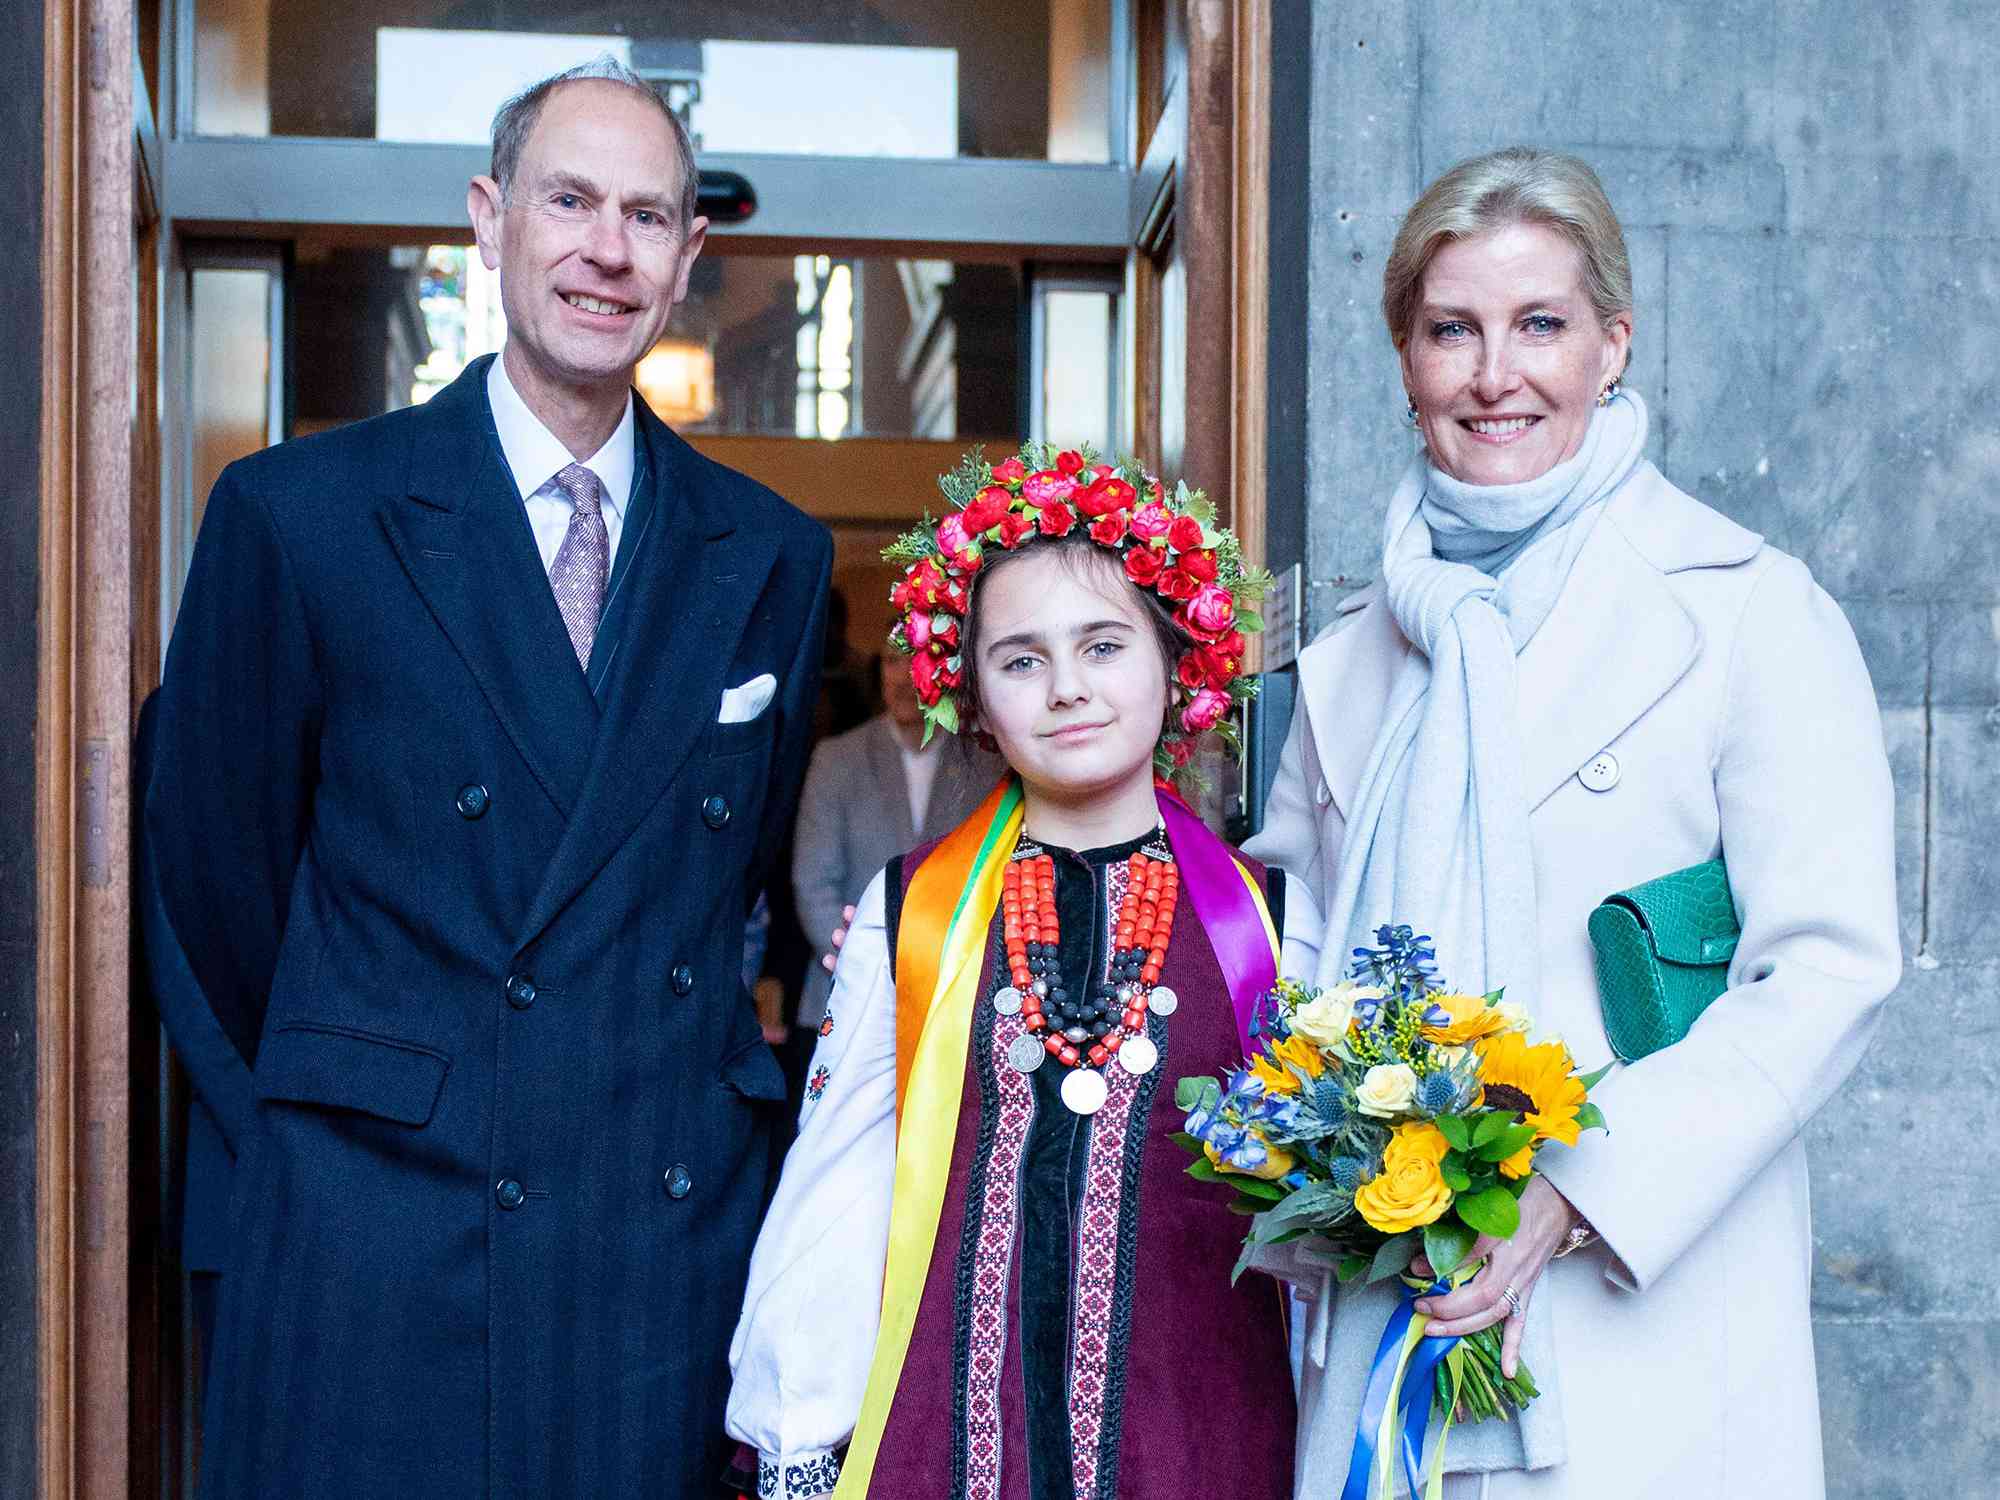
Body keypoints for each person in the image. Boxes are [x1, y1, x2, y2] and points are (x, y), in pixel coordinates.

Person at [137, 57, 831, 1497]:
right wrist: (342, 1130)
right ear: (488, 218)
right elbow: (212, 889)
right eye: (569, 200)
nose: (606, 248)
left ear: (690, 257)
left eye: (650, 215)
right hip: (382, 1237)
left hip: (663, 1238)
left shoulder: (769, 553)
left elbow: (734, 885)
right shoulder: (300, 515)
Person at [1244, 146, 1899, 1498]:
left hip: (1649, 1317)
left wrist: (1580, 1187)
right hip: (1393, 1316)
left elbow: (1830, 967)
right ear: (1405, 359)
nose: (1497, 376)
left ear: (1613, 344)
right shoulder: (1345, 662)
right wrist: (1317, 1174)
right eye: (1453, 331)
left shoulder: (1745, 611)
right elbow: (1303, 982)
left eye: (1540, 325)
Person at [726, 446, 1318, 1499]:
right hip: (948, 1431)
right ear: (971, 697)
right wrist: (796, 1428)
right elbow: (840, 1185)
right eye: (1020, 659)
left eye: (1102, 645)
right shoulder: (912, 912)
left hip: (1199, 1430)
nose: (1067, 690)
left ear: (1177, 660)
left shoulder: (1268, 923)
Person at [788, 651, 1005, 1075]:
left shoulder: (984, 762)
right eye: (889, 661)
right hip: (844, 992)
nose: (903, 677)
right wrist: (872, 969)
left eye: (916, 661)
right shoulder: (836, 758)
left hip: (953, 1003)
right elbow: (813, 883)